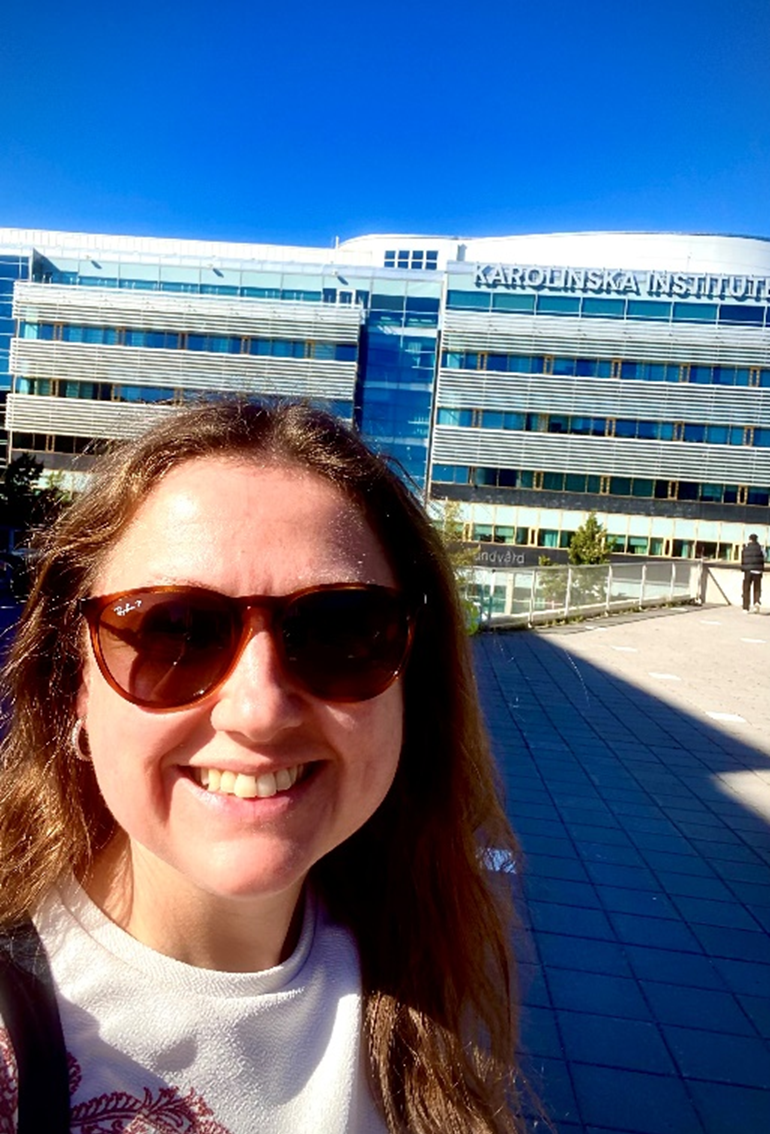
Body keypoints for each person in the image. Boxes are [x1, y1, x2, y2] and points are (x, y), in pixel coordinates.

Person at [0, 399, 525, 1134]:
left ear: (414, 682)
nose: (259, 708)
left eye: (341, 630)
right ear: (71, 687)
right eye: (173, 630)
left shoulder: (422, 975)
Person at [741, 532, 765, 613]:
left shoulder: (746, 548)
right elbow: (765, 556)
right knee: (757, 588)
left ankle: (745, 608)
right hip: (758, 570)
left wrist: (743, 568)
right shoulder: (761, 548)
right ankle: (756, 602)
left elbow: (743, 558)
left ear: (750, 539)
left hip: (748, 571)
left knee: (746, 589)